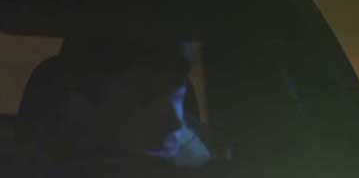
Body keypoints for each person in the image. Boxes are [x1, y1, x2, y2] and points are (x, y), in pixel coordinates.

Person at [15, 35, 213, 176]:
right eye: (145, 98)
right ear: (80, 107)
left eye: (178, 97)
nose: (174, 123)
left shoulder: (200, 151)